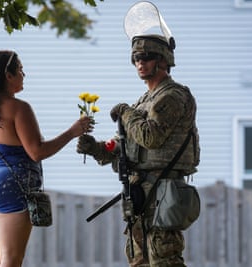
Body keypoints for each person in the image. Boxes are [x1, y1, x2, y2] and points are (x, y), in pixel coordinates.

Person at [77, 34, 200, 267]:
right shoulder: (144, 101)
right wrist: (95, 148)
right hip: (139, 193)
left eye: (147, 57)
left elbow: (150, 137)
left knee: (164, 258)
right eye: (135, 58)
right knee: (138, 258)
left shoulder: (172, 96)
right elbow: (120, 146)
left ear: (164, 61)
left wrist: (124, 111)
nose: (140, 63)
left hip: (163, 190)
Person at [0, 50, 93, 267]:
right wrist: (72, 132)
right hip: (9, 186)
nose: (24, 74)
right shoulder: (19, 109)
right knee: (12, 261)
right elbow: (37, 152)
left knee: (1, 260)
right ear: (8, 75)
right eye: (21, 70)